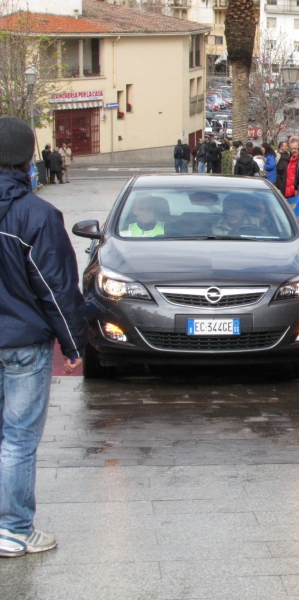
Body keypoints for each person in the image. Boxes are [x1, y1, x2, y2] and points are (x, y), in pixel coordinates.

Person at [0, 116, 86, 558]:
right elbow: (56, 287)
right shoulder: (37, 215)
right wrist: (73, 344)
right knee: (17, 439)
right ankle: (13, 528)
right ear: (30, 157)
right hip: (21, 344)